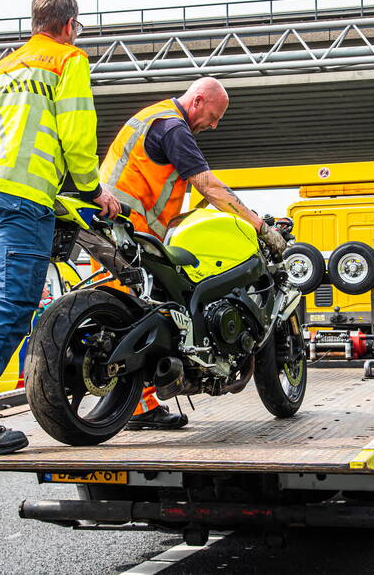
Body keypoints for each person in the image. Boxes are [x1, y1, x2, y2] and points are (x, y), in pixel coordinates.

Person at [0, 0, 120, 456]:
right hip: (23, 198)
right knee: (13, 305)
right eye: (77, 27)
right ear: (67, 25)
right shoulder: (67, 60)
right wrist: (92, 190)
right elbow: (77, 131)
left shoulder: (2, 66)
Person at [99, 77, 287, 430]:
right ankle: (140, 408)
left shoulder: (153, 118)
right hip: (130, 227)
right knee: (140, 311)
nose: (213, 126)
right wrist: (259, 226)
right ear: (198, 100)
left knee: (133, 309)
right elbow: (209, 185)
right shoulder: (173, 127)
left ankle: (143, 399)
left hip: (115, 223)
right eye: (214, 116)